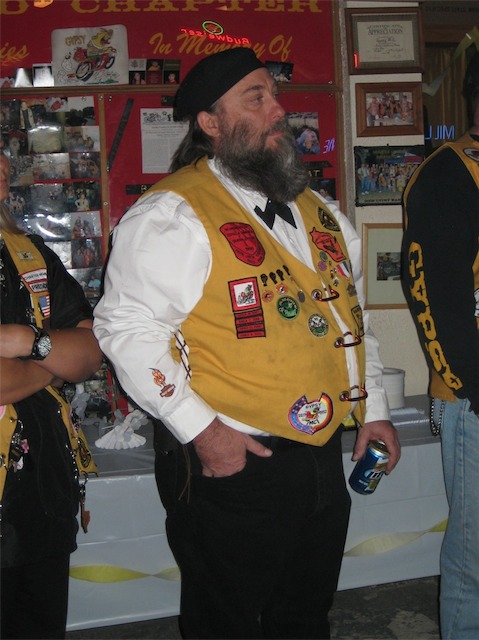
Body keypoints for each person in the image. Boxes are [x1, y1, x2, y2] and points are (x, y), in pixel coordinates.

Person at [93, 47, 400, 640]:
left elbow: (349, 319)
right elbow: (126, 331)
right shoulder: (173, 213)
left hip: (319, 457)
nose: (278, 110)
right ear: (211, 122)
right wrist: (205, 434)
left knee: (304, 617)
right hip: (231, 461)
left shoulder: (320, 213)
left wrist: (375, 409)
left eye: (274, 96)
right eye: (255, 99)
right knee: (224, 624)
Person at [0, 146, 103, 639]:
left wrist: (28, 342)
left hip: (44, 492)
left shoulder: (30, 252)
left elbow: (89, 353)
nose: (3, 166)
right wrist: (52, 365)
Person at [402, 51, 479, 640]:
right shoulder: (450, 172)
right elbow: (428, 288)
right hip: (472, 398)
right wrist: (471, 386)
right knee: (475, 560)